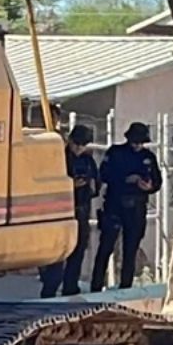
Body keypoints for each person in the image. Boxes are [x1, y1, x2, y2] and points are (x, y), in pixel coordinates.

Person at [90, 122, 162, 291]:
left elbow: (157, 181)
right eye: (135, 142)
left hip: (136, 207)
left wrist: (149, 186)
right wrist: (125, 179)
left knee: (131, 249)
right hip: (115, 204)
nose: (138, 146)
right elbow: (104, 174)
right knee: (106, 247)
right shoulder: (116, 153)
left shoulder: (148, 157)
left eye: (141, 142)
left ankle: (126, 286)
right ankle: (96, 285)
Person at [39, 125, 100, 298]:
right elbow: (50, 184)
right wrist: (70, 185)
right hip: (62, 211)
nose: (79, 148)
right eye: (77, 144)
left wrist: (89, 185)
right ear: (70, 141)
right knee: (59, 253)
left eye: (83, 145)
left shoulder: (88, 161)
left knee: (78, 250)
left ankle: (70, 287)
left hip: (82, 209)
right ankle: (50, 289)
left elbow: (96, 184)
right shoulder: (59, 158)